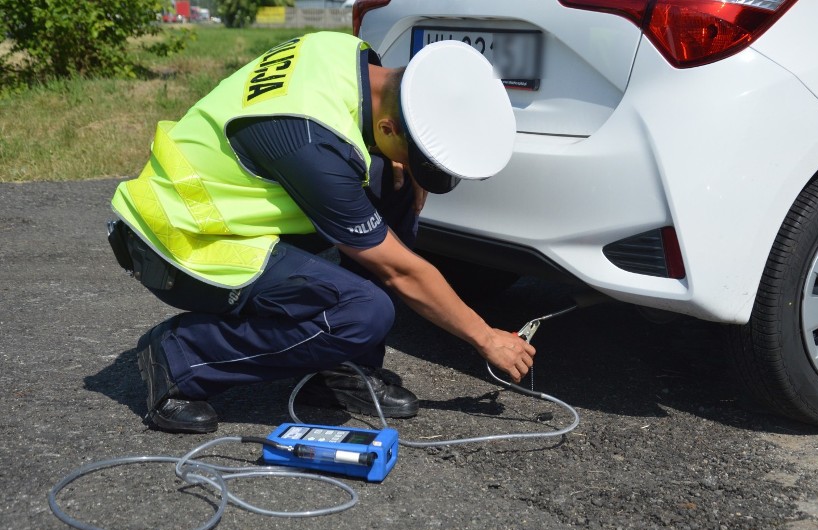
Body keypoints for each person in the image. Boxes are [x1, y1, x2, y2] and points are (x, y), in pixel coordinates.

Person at [108, 31, 535, 433]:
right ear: (389, 128)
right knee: (362, 312)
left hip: (232, 204)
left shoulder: (344, 51)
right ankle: (183, 357)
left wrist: (413, 158)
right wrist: (485, 336)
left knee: (394, 182)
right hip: (186, 244)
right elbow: (400, 273)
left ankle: (343, 371)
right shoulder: (311, 144)